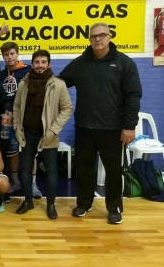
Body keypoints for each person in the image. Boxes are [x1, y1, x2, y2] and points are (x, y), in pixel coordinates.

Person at [58, 22, 142, 224]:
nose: (98, 39)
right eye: (94, 36)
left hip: (113, 129)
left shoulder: (124, 63)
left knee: (114, 172)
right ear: (89, 39)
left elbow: (133, 96)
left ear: (110, 36)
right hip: (85, 128)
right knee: (84, 170)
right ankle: (84, 204)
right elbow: (60, 82)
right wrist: (38, 80)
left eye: (102, 35)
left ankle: (114, 208)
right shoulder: (80, 63)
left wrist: (129, 126)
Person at [13, 49, 72, 219]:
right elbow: (16, 106)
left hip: (48, 136)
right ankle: (28, 201)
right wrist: (17, 126)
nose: (40, 66)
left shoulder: (58, 84)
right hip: (27, 134)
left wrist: (53, 130)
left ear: (49, 64)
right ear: (32, 64)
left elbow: (67, 109)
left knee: (51, 172)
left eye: (43, 62)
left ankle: (51, 205)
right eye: (37, 62)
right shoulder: (24, 84)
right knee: (25, 169)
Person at [0, 42, 34, 196]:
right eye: (6, 55)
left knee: (30, 151)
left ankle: (33, 184)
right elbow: (1, 97)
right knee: (11, 151)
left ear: (17, 54)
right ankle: (15, 182)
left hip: (25, 118)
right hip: (7, 119)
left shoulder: (27, 72)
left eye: (12, 53)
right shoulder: (1, 74)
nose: (9, 57)